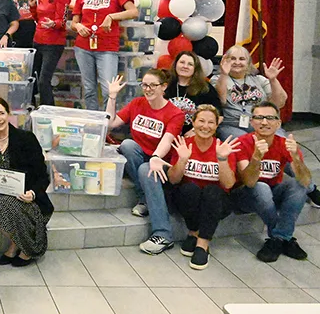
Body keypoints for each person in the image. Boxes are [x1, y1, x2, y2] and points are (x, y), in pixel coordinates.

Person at [107, 69, 185, 255]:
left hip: (164, 164)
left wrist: (156, 158)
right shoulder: (137, 103)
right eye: (144, 85)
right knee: (127, 145)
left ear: (164, 87)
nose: (148, 89)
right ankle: (144, 198)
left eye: (153, 85)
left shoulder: (175, 113)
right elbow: (110, 123)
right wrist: (112, 97)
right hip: (142, 157)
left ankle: (163, 234)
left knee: (145, 168)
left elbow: (167, 139)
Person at [0, 97, 52, 266]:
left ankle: (24, 249)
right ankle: (21, 244)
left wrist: (32, 193)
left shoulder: (26, 138)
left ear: (8, 114)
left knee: (11, 205)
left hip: (26, 196)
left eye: (1, 113)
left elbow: (42, 175)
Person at [232, 101, 312, 263]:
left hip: (273, 192)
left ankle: (279, 238)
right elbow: (249, 182)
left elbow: (306, 180)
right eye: (259, 117)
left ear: (278, 123)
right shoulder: (242, 143)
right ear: (252, 122)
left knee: (298, 185)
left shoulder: (284, 144)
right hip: (244, 196)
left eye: (270, 118)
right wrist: (256, 158)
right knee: (261, 187)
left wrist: (295, 157)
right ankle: (283, 238)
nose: (264, 122)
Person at [168, 105, 240, 270]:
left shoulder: (223, 147)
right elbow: (173, 180)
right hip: (188, 200)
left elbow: (228, 184)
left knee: (212, 191)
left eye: (210, 122)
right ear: (193, 123)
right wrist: (182, 160)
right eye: (201, 121)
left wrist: (222, 159)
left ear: (216, 126)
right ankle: (193, 231)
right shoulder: (183, 145)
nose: (205, 126)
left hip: (215, 202)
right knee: (189, 188)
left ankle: (202, 243)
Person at [71, 0, 137, 110]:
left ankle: (108, 123)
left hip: (107, 48)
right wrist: (79, 26)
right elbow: (74, 22)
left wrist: (111, 16)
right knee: (89, 89)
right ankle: (94, 122)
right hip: (83, 47)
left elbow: (133, 12)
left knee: (108, 90)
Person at [212, 45, 287, 141]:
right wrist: (224, 74)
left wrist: (273, 80)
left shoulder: (259, 80)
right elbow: (221, 101)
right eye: (233, 59)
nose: (237, 62)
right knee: (246, 143)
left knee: (281, 141)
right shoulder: (217, 79)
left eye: (242, 59)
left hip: (263, 122)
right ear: (225, 61)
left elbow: (279, 103)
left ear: (248, 63)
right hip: (232, 124)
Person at [29, 0, 71, 106]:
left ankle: (48, 111)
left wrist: (53, 24)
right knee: (34, 79)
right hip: (38, 41)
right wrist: (32, 7)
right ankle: (34, 108)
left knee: (43, 81)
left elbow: (62, 22)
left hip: (53, 44)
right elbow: (38, 19)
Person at [165, 51, 223, 134]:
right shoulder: (164, 84)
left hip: (195, 135)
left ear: (195, 68)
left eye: (190, 64)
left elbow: (219, 116)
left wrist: (195, 131)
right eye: (182, 62)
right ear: (175, 65)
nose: (185, 66)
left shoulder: (205, 88)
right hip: (165, 131)